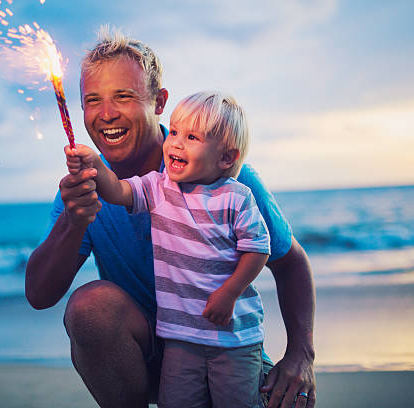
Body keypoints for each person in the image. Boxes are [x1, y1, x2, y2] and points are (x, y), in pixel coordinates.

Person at [25, 27, 316, 408]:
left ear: (159, 101)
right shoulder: (84, 190)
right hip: (148, 355)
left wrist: (300, 356)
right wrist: (73, 221)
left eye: (124, 97)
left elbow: (289, 261)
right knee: (90, 307)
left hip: (225, 351)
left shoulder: (223, 174)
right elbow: (39, 294)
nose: (106, 114)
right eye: (92, 100)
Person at [67, 91, 271, 407]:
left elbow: (257, 250)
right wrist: (93, 163)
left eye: (192, 137)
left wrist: (230, 292)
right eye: (174, 131)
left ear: (226, 158)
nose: (175, 143)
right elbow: (118, 191)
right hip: (179, 337)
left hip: (233, 339)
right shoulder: (159, 187)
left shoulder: (236, 196)